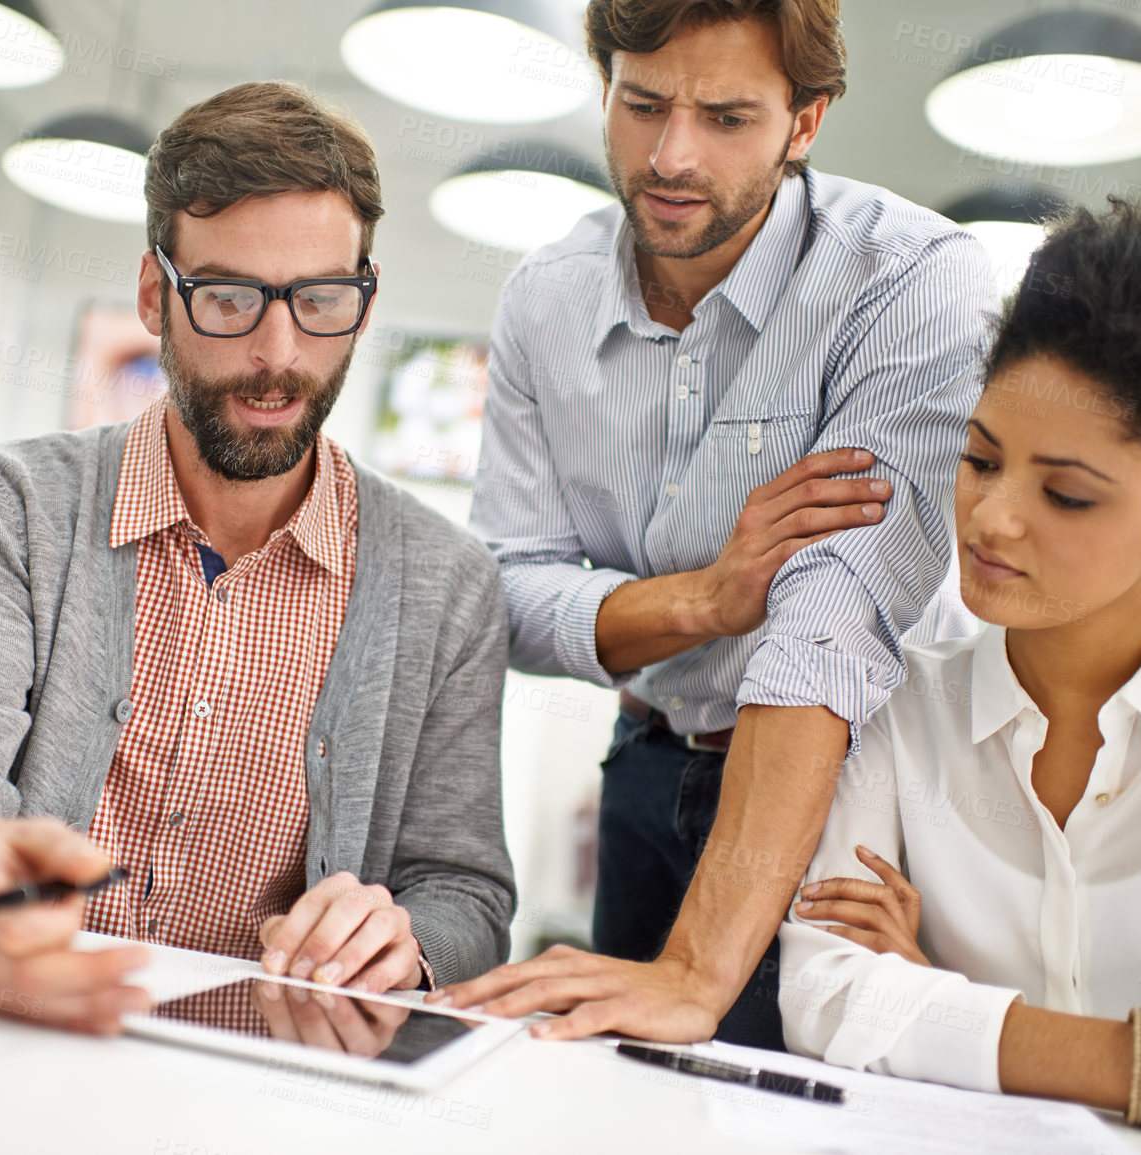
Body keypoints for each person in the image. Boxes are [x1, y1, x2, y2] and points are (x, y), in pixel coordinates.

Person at [0, 82, 516, 1035]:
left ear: (363, 301)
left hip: (264, 1087)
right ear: (156, 294)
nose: (277, 354)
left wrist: (400, 943)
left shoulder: (447, 584)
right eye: (231, 298)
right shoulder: (12, 505)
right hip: (7, 1034)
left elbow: (464, 890)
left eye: (321, 299)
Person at [437, 0, 996, 1046]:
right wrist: (703, 597)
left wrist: (698, 967)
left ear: (806, 121)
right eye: (641, 104)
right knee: (611, 1096)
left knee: (806, 1111)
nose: (672, 157)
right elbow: (505, 593)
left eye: (729, 118)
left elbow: (832, 618)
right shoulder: (543, 300)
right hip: (646, 759)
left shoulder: (912, 278)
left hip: (845, 792)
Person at [776, 196, 1141, 1135]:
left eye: (1066, 494)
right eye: (979, 458)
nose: (991, 518)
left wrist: (953, 1010)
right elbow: (828, 993)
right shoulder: (900, 700)